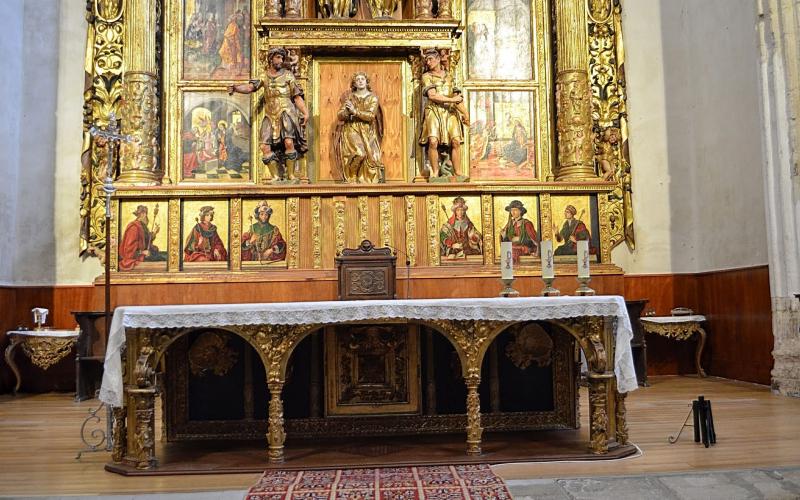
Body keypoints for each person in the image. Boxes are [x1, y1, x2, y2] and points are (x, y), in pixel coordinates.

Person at [227, 47, 308, 183]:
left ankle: (291, 175)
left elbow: (297, 96)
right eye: (278, 57)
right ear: (271, 58)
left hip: (286, 112)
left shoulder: (288, 75)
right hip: (270, 114)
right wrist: (236, 88)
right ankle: (275, 176)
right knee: (264, 146)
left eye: (282, 58)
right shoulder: (264, 76)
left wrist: (305, 112)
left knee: (289, 142)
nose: (281, 60)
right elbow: (250, 87)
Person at [419, 48, 469, 178]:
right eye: (426, 60)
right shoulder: (426, 76)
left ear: (438, 59)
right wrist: (452, 100)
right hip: (434, 110)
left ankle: (457, 171)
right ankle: (435, 172)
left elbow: (458, 98)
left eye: (430, 59)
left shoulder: (450, 76)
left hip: (450, 111)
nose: (428, 62)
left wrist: (465, 114)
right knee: (433, 141)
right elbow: (432, 95)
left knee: (456, 141)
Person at [333, 71, 384, 183]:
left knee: (370, 158)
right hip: (352, 129)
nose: (360, 81)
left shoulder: (373, 98)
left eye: (362, 79)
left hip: (367, 130)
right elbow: (340, 115)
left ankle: (363, 181)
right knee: (359, 153)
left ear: (366, 82)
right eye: (357, 79)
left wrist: (354, 111)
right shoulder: (350, 98)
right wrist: (347, 112)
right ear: (354, 83)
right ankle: (351, 179)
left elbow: (371, 116)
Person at [119, 205, 166, 271]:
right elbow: (128, 251)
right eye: (145, 214)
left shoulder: (141, 226)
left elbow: (146, 239)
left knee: (165, 255)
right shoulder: (134, 228)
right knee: (164, 259)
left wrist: (155, 232)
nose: (146, 217)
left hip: (146, 254)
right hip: (138, 256)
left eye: (146, 214)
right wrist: (142, 252)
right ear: (142, 214)